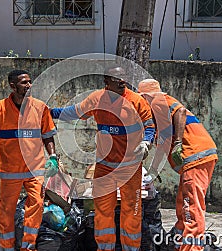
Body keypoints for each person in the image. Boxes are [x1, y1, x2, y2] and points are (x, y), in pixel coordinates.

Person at [50, 66, 155, 251]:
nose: (122, 80)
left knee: (132, 211)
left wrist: (146, 142)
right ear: (106, 82)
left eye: (123, 77)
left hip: (130, 168)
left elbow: (150, 126)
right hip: (105, 168)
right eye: (116, 78)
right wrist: (49, 112)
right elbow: (74, 112)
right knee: (103, 212)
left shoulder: (136, 101)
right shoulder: (97, 99)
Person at [0, 69, 58, 251]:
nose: (29, 86)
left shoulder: (40, 108)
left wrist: (52, 157)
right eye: (24, 83)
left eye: (30, 82)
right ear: (12, 86)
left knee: (36, 205)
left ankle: (28, 247)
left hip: (34, 169)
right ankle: (6, 246)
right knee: (6, 210)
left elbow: (48, 136)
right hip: (10, 170)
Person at [138, 79, 218, 251]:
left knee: (191, 207)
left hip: (195, 156)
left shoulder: (159, 102)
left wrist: (179, 143)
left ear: (145, 97)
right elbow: (163, 145)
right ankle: (178, 243)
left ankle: (192, 248)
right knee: (183, 205)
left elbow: (180, 111)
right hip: (197, 157)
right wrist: (153, 169)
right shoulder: (159, 116)